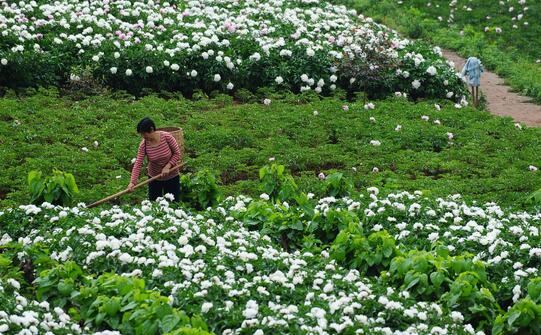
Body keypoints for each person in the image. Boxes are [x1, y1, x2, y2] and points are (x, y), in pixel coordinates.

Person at [127, 117, 181, 201]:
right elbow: (138, 164)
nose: (143, 137)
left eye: (144, 134)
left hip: (172, 175)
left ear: (151, 129)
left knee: (173, 203)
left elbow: (177, 154)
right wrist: (132, 182)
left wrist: (167, 166)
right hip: (154, 178)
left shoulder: (167, 137)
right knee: (154, 204)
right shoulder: (144, 145)